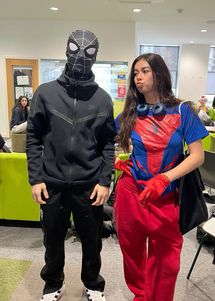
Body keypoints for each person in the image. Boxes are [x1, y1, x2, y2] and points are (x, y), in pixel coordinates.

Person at [26, 29, 116, 301]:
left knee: (92, 242)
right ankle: (53, 284)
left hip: (88, 185)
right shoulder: (45, 93)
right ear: (66, 50)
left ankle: (93, 285)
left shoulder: (103, 99)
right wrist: (36, 178)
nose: (81, 57)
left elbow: (108, 144)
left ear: (96, 56)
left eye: (89, 52)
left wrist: (104, 180)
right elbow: (33, 138)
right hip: (51, 184)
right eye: (75, 49)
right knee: (52, 242)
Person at [114, 53, 208, 301]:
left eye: (145, 71)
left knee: (168, 264)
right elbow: (102, 141)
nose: (139, 77)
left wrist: (165, 178)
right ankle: (141, 295)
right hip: (132, 193)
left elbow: (197, 156)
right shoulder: (131, 113)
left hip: (166, 197)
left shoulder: (182, 110)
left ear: (159, 73)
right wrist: (115, 162)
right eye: (135, 73)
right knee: (132, 253)